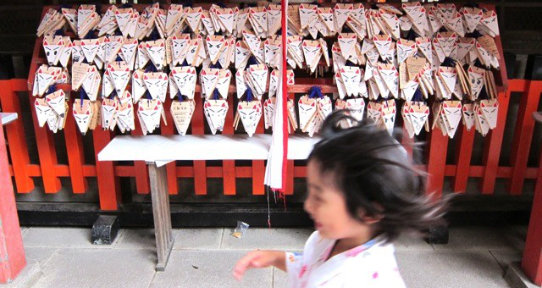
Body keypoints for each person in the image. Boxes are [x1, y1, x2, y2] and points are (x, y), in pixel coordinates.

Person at [233, 110, 448, 287]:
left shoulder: (365, 280)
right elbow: (311, 265)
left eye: (320, 197)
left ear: (370, 212)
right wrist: (275, 257)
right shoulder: (337, 237)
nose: (308, 205)